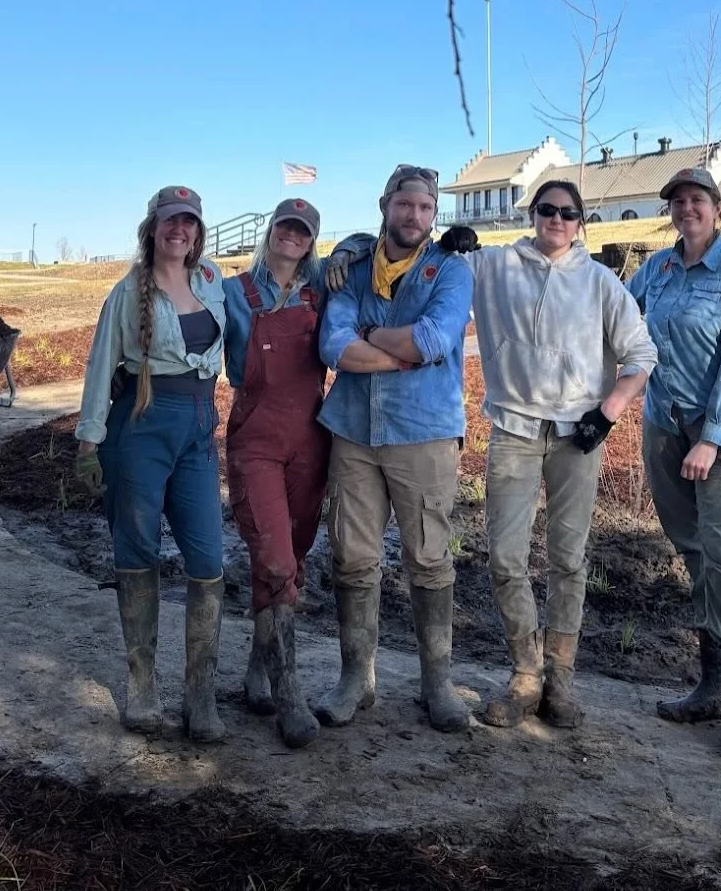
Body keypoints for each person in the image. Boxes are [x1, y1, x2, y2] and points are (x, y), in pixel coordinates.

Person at [432, 181, 658, 729]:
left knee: (568, 557)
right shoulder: (495, 267)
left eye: (568, 213)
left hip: (577, 433)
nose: (557, 219)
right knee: (505, 557)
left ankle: (560, 679)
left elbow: (640, 354)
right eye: (547, 210)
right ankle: (525, 673)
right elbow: (428, 264)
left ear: (582, 221)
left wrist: (607, 412)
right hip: (513, 429)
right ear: (532, 214)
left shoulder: (601, 283)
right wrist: (447, 243)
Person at [315, 164, 474, 733]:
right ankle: (356, 679)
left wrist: (371, 338)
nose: (414, 216)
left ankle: (437, 684)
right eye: (405, 205)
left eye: (426, 208)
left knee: (429, 556)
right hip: (354, 432)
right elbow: (333, 344)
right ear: (385, 205)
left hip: (424, 431)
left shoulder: (450, 272)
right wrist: (398, 350)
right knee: (352, 557)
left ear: (435, 214)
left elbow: (435, 338)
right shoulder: (352, 270)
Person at [627, 166, 721, 762]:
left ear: (717, 208)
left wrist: (711, 438)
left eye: (697, 200)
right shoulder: (656, 270)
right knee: (692, 552)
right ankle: (709, 685)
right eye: (678, 201)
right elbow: (616, 315)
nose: (687, 208)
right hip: (663, 428)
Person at [74, 186, 227, 743]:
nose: (179, 231)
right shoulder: (128, 292)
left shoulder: (210, 280)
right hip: (141, 424)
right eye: (170, 222)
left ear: (198, 231)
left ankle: (200, 695)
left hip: (197, 429)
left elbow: (281, 276)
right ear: (153, 228)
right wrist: (88, 443)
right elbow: (98, 367)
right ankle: (142, 689)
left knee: (208, 557)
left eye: (188, 223)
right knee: (137, 550)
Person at [221, 197, 329, 750]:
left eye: (303, 231)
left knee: (295, 557)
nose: (293, 237)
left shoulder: (321, 293)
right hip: (256, 439)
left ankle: (255, 674)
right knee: (275, 556)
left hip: (311, 439)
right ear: (270, 232)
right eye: (285, 228)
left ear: (312, 240)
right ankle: (289, 694)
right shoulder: (233, 293)